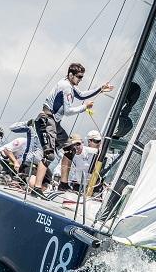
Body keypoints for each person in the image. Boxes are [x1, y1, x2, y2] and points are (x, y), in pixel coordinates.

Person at [32, 63, 114, 198]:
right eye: (79, 77)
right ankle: (37, 188)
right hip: (47, 120)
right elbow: (67, 111)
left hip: (55, 123)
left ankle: (63, 184)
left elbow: (81, 95)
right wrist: (84, 107)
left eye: (82, 77)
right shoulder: (66, 87)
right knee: (50, 155)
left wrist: (100, 89)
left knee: (70, 150)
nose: (80, 80)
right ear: (71, 75)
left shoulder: (69, 85)